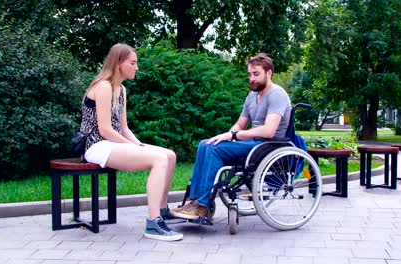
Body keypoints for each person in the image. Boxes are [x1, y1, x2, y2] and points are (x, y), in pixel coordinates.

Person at [80, 43, 183, 241]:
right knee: (159, 159)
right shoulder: (103, 87)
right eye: (133, 63)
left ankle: (161, 210)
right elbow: (104, 130)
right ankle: (153, 224)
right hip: (95, 145)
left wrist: (139, 145)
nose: (136, 67)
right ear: (119, 63)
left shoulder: (122, 90)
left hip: (112, 142)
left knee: (169, 155)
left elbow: (124, 128)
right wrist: (133, 147)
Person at [171, 53, 291, 219]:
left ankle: (202, 205)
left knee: (214, 150)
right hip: (252, 143)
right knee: (205, 144)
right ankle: (194, 201)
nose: (252, 79)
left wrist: (236, 135)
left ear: (269, 73)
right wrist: (229, 134)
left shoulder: (277, 94)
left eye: (256, 74)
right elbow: (240, 124)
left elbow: (269, 131)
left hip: (267, 145)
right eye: (249, 74)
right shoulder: (251, 96)